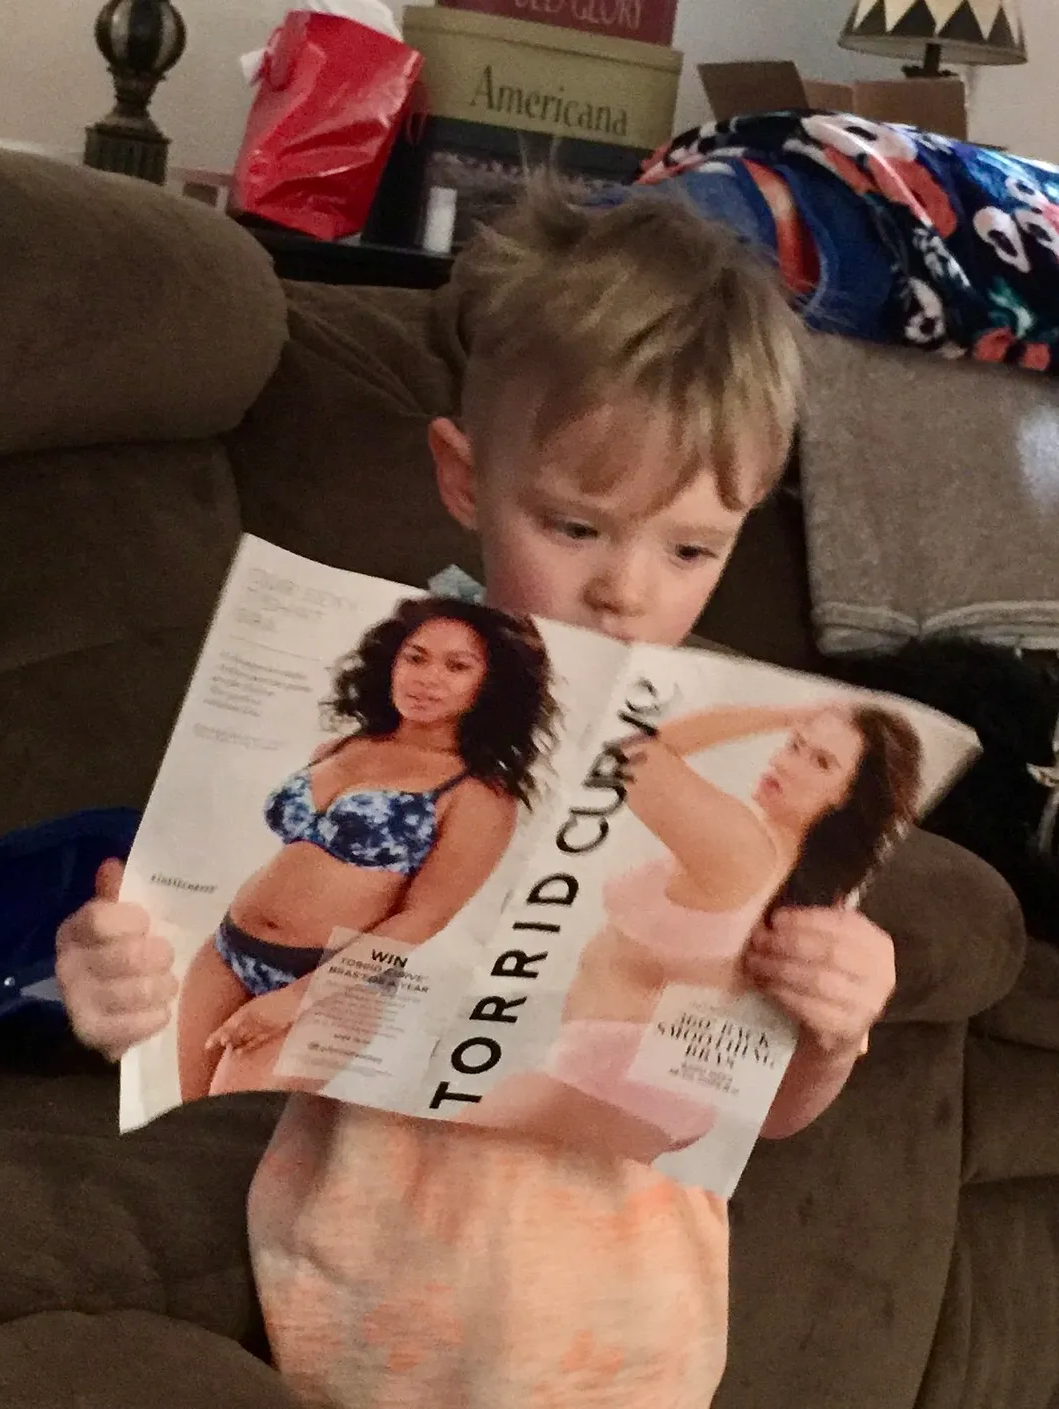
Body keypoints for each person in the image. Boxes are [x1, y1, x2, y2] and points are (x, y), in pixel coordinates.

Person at [55, 180, 902, 1409]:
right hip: (353, 1312)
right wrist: (119, 979)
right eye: (575, 525)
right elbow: (196, 949)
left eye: (690, 547)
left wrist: (832, 1021)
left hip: (632, 1343)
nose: (627, 590)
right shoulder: (382, 689)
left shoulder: (742, 780)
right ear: (464, 475)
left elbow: (761, 1109)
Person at [464, 702, 923, 1162]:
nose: (786, 763)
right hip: (640, 1100)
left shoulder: (744, 848)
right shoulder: (805, 883)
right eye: (794, 745)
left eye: (820, 762)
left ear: (849, 796)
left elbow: (632, 758)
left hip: (599, 1088)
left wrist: (780, 714)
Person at [176, 596, 557, 1100]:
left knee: (228, 1126)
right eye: (415, 657)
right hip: (228, 950)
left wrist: (296, 999)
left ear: (491, 685)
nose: (427, 678)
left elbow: (422, 919)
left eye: (457, 666)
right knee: (183, 1118)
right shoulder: (343, 746)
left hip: (338, 986)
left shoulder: (477, 794)